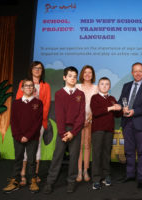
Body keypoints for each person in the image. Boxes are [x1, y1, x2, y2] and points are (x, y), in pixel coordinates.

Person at [43, 66, 85, 194]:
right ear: (64, 77)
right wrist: (62, 133)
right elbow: (59, 115)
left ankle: (71, 182)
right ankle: (50, 182)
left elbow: (81, 115)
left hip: (75, 131)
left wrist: (73, 132)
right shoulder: (59, 93)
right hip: (62, 130)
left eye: (74, 76)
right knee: (57, 157)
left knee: (74, 157)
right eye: (70, 76)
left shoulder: (80, 94)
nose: (73, 78)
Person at [117, 62, 142, 190]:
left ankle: (141, 178)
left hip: (141, 123)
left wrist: (135, 111)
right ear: (132, 72)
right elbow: (120, 101)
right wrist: (122, 109)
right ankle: (130, 175)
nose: (138, 73)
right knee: (128, 151)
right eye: (135, 71)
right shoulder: (126, 86)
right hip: (127, 123)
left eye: (140, 71)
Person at [3, 79, 43, 193]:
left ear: (34, 89)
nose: (29, 88)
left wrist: (28, 136)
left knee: (31, 160)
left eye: (31, 86)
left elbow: (38, 122)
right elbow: (13, 121)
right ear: (22, 88)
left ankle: (32, 181)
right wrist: (19, 136)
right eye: (26, 86)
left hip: (32, 137)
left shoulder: (38, 103)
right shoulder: (16, 103)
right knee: (18, 159)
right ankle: (15, 181)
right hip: (18, 137)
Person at [16, 61, 51, 186]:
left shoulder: (46, 86)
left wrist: (39, 120)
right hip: (24, 123)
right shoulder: (23, 83)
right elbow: (18, 102)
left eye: (40, 68)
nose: (37, 70)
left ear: (42, 71)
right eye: (35, 68)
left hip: (39, 122)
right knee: (25, 149)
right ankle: (23, 174)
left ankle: (34, 176)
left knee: (37, 148)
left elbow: (46, 105)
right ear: (31, 70)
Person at [90, 77, 122, 190]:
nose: (104, 86)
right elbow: (96, 112)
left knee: (106, 154)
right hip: (98, 130)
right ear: (98, 86)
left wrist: (121, 110)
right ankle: (96, 179)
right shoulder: (95, 98)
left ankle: (106, 176)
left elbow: (117, 115)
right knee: (97, 154)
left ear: (109, 86)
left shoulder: (112, 98)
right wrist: (111, 107)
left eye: (107, 84)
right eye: (102, 84)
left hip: (109, 130)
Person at [76, 65, 98, 182]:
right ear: (82, 74)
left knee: (87, 145)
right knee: (79, 146)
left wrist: (89, 118)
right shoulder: (77, 86)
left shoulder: (96, 87)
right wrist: (80, 120)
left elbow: (97, 106)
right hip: (78, 121)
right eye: (85, 72)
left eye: (90, 72)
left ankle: (86, 170)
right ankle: (79, 171)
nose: (87, 75)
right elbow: (73, 105)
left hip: (90, 120)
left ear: (93, 75)